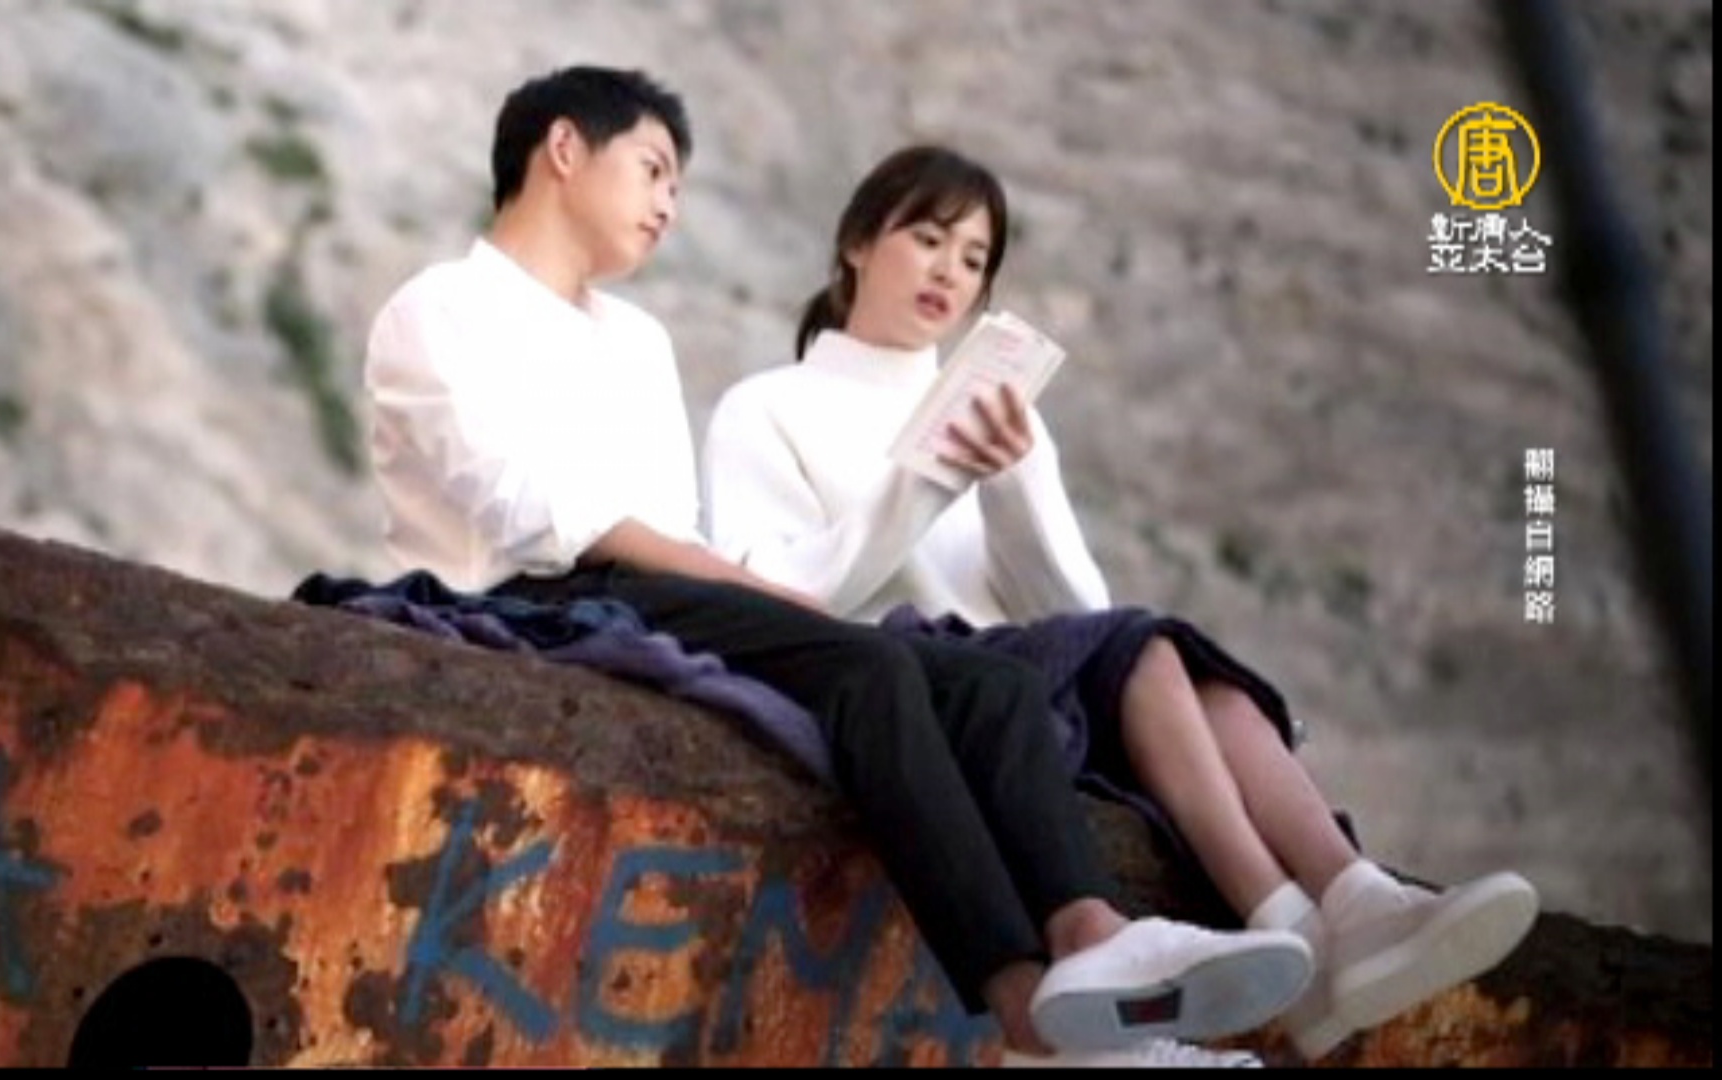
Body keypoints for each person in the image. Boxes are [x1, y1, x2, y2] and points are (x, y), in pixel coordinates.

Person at [363, 67, 1316, 1068]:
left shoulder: (639, 341)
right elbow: (520, 508)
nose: (668, 205)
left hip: (650, 592)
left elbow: (672, 526)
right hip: (529, 599)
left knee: (989, 687)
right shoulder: (439, 307)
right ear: (564, 149)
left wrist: (723, 581)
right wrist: (741, 585)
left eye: (676, 186)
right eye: (653, 170)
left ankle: (1092, 936)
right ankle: (1030, 1018)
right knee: (868, 667)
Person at [700, 144, 1542, 1062]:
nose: (949, 272)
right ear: (858, 243)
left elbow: (1077, 608)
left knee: (1194, 674)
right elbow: (785, 597)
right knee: (1143, 646)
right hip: (936, 682)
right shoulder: (766, 407)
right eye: (928, 240)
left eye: (974, 259)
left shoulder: (1005, 413)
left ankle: (1358, 898)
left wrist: (1014, 481)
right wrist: (926, 481)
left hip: (1038, 683)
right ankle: (1290, 925)